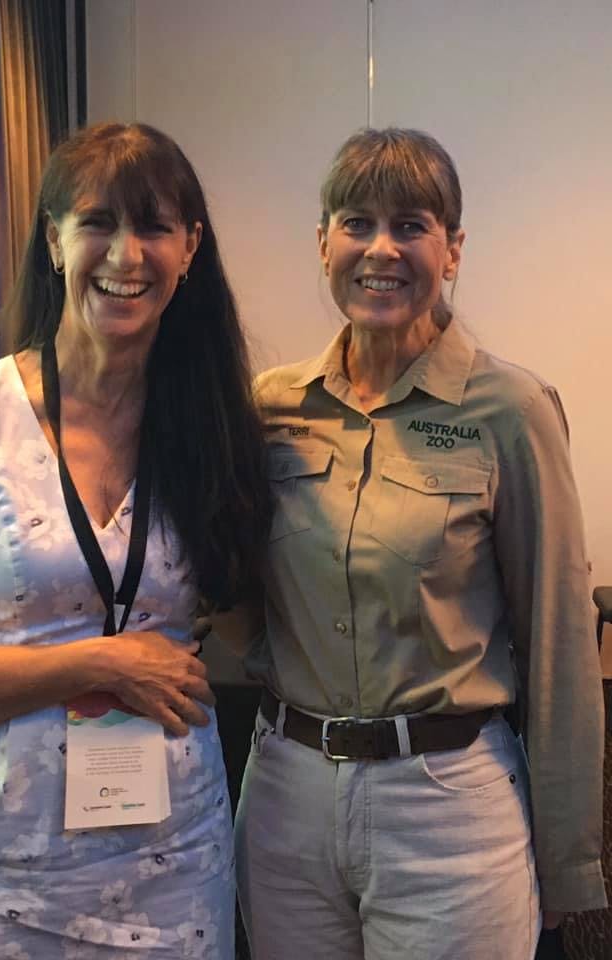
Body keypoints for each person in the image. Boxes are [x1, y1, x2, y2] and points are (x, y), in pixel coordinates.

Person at [0, 122, 271, 959]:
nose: (126, 255)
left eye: (154, 226)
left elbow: (248, 622)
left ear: (189, 248)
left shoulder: (212, 424)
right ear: (54, 241)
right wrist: (98, 663)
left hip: (171, 867)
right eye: (98, 224)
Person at [229, 128, 606, 960]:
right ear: (322, 242)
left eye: (411, 226)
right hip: (288, 799)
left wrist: (572, 867)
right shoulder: (270, 406)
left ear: (453, 249)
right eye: (356, 224)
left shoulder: (510, 410)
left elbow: (558, 650)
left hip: (447, 807)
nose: (382, 250)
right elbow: (234, 591)